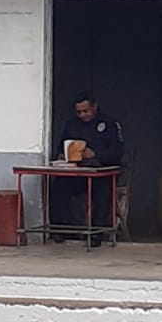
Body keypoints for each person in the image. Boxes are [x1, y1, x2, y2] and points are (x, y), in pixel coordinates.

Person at [50, 91, 124, 244]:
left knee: (103, 190)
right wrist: (63, 156)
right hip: (78, 173)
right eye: (79, 112)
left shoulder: (108, 123)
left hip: (103, 172)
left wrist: (95, 154)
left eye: (86, 111)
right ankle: (64, 230)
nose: (83, 115)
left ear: (94, 107)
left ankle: (97, 233)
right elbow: (61, 147)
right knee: (58, 185)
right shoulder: (72, 125)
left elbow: (117, 152)